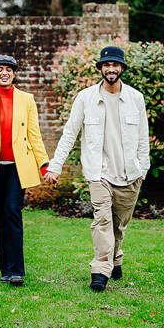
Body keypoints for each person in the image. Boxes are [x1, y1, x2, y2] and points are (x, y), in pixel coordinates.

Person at [44, 46, 150, 292]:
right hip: (98, 173)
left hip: (129, 174)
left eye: (115, 65)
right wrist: (55, 165)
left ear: (121, 68)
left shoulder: (135, 98)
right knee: (102, 221)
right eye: (106, 65)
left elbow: (143, 138)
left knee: (118, 225)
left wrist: (142, 169)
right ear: (101, 69)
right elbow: (69, 134)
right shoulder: (85, 98)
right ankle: (101, 270)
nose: (111, 69)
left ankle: (115, 258)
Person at [0, 54, 50, 287]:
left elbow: (34, 134)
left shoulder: (27, 100)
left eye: (8, 69)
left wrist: (45, 165)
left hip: (18, 167)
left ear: (14, 74)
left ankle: (16, 271)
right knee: (1, 217)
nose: (4, 73)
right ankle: (5, 270)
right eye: (0, 69)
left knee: (13, 212)